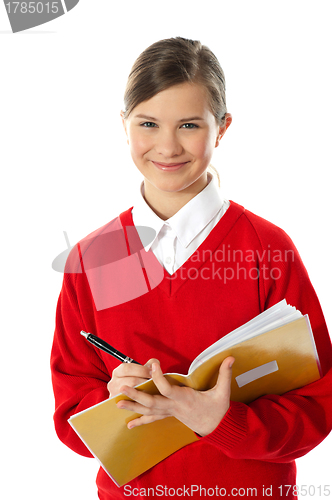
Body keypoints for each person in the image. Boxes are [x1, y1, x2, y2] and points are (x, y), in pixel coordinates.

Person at [51, 37, 332, 499]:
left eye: (188, 125)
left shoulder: (266, 248)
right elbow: (69, 418)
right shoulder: (92, 260)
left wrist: (222, 422)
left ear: (221, 127)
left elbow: (317, 409)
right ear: (124, 126)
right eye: (148, 123)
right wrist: (109, 403)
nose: (167, 146)